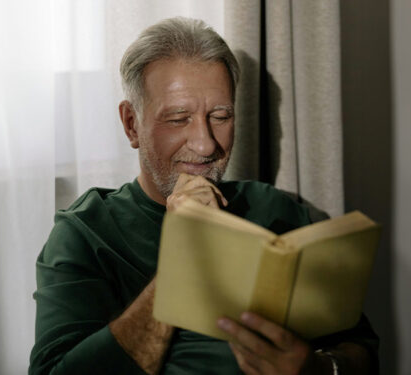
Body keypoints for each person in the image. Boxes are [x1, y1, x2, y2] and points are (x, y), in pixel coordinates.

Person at [29, 17, 379, 375]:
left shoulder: (278, 210)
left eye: (220, 116)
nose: (206, 143)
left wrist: (319, 369)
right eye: (179, 118)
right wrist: (183, 255)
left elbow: (361, 348)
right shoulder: (84, 234)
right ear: (132, 124)